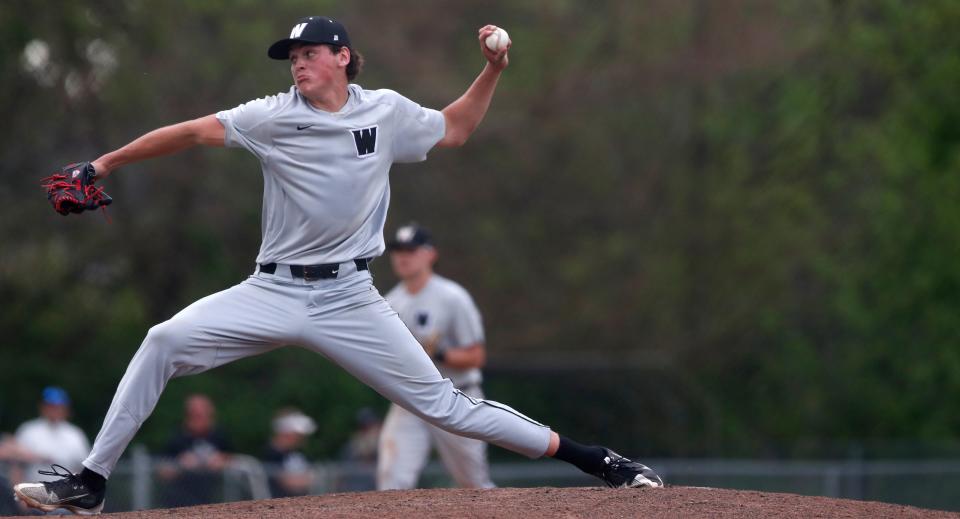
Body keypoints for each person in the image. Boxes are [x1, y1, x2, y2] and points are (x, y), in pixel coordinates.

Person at [14, 15, 662, 515]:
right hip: (269, 289)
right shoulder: (269, 117)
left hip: (350, 296)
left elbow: (456, 128)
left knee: (448, 407)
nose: (297, 64)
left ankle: (599, 459)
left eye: (308, 54)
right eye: (292, 57)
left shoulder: (385, 112)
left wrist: (492, 69)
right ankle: (91, 482)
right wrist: (100, 165)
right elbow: (186, 132)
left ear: (342, 57)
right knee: (162, 340)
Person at [376, 223, 494, 490]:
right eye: (397, 250)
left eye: (411, 250)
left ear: (430, 254)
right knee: (392, 482)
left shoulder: (452, 297)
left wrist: (437, 353)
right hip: (411, 400)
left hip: (456, 396)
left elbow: (476, 356)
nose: (403, 256)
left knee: (473, 484)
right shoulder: (389, 302)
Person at [156, 394, 233, 507]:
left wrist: (222, 460)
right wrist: (181, 465)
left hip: (213, 500)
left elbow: (233, 459)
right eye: (198, 415)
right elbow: (162, 471)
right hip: (179, 501)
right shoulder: (178, 438)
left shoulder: (218, 436)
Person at [15, 387, 90, 479]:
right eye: (51, 406)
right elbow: (16, 465)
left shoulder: (75, 434)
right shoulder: (28, 431)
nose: (54, 410)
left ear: (66, 409)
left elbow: (83, 467)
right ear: (42, 407)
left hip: (66, 491)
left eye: (58, 406)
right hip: (31, 489)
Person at [261, 408, 317, 498]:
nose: (302, 438)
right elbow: (287, 482)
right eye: (298, 435)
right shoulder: (272, 454)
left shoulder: (298, 452)